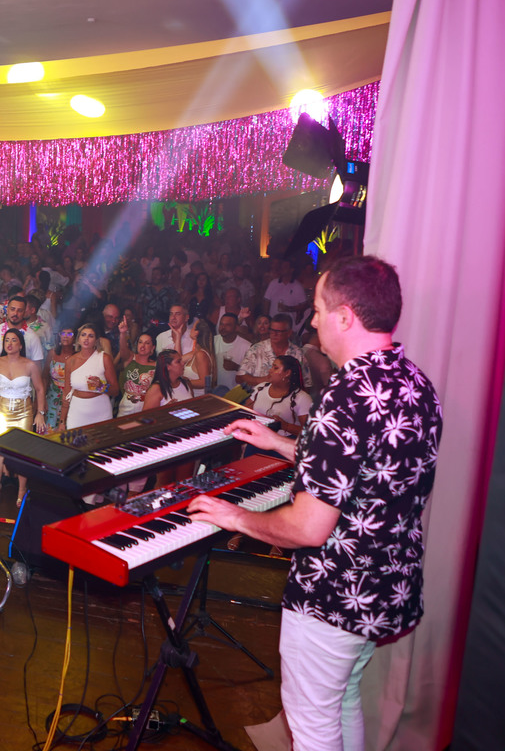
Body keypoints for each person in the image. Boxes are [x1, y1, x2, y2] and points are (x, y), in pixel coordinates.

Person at [188, 255, 443, 751]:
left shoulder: (345, 397)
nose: (314, 322)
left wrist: (234, 515)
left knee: (313, 728)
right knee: (343, 701)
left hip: (333, 596)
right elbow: (364, 468)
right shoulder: (411, 381)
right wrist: (280, 443)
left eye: (320, 311)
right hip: (384, 585)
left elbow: (307, 528)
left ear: (345, 317)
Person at [0, 328, 47, 506]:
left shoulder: (30, 365)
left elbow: (40, 389)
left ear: (20, 345)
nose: (9, 344)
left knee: (22, 453)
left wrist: (40, 413)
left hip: (23, 412)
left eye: (13, 340)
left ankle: (22, 489)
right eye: (6, 340)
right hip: (0, 410)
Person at [62, 323, 117, 429]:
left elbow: (115, 391)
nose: (86, 338)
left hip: (100, 411)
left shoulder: (104, 358)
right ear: (78, 339)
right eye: (83, 335)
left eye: (91, 336)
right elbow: (66, 394)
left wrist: (101, 386)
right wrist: (62, 421)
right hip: (76, 412)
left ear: (96, 341)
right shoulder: (71, 361)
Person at [237, 313, 311, 390]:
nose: (274, 334)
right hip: (258, 396)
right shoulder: (256, 349)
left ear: (289, 333)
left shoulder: (298, 354)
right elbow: (240, 377)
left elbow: (307, 385)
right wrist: (265, 380)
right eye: (272, 330)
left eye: (278, 331)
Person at [244, 354, 312, 438]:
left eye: (275, 368)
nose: (270, 371)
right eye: (272, 367)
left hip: (283, 441)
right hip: (256, 438)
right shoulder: (260, 388)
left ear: (287, 373)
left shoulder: (301, 398)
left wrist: (285, 426)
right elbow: (246, 411)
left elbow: (310, 432)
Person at [116, 332, 157, 416]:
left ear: (153, 347)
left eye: (147, 343)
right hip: (126, 403)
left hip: (146, 404)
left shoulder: (157, 365)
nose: (142, 346)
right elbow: (123, 349)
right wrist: (122, 333)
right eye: (140, 342)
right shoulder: (130, 357)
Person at [44, 327, 75, 428]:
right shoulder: (53, 353)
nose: (65, 336)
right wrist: (42, 399)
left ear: (75, 338)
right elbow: (45, 377)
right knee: (50, 428)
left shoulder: (77, 356)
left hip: (71, 398)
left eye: (69, 334)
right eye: (63, 333)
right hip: (53, 396)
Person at [214, 312, 252, 393]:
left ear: (236, 328)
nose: (223, 327)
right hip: (215, 391)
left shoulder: (247, 347)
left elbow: (252, 374)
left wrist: (236, 367)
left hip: (236, 393)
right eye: (221, 324)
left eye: (227, 325)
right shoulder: (213, 341)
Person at [181, 318, 215, 392]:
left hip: (198, 397)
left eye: (193, 328)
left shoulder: (201, 355)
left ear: (196, 333)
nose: (190, 330)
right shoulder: (196, 352)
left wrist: (181, 382)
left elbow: (204, 382)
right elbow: (178, 360)